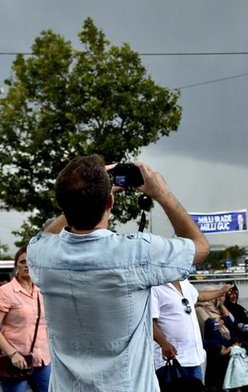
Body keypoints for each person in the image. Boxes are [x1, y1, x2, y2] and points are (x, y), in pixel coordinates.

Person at [27, 155, 209, 392]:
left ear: (63, 205)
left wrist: (81, 194)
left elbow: (47, 236)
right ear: (110, 202)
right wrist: (162, 194)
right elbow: (200, 247)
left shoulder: (42, 256)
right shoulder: (137, 252)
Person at [152, 281, 232, 390]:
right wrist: (164, 344)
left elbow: (200, 296)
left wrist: (221, 291)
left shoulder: (184, 282)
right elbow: (149, 322)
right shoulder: (155, 287)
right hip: (171, 360)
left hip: (194, 358)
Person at [0, 247, 51, 392]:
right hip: (16, 362)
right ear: (16, 266)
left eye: (31, 262)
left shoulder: (42, 290)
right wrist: (12, 354)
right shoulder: (6, 292)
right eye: (22, 262)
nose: (27, 265)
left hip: (43, 360)